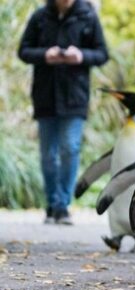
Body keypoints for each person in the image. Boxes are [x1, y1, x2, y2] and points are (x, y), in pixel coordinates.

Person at [18, 0, 108, 225]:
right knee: (48, 154)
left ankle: (62, 205)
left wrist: (81, 56)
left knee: (70, 148)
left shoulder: (88, 16)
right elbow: (24, 50)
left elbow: (102, 53)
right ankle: (52, 204)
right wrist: (45, 55)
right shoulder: (40, 17)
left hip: (74, 95)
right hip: (45, 95)